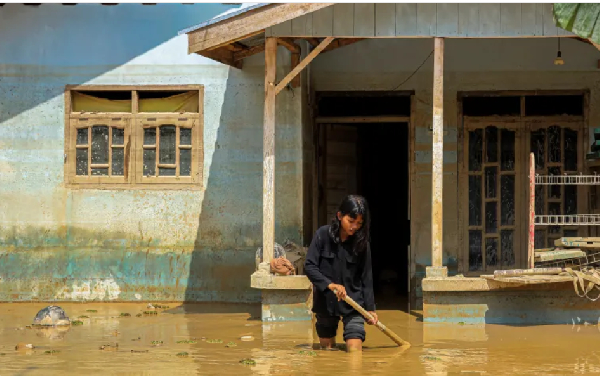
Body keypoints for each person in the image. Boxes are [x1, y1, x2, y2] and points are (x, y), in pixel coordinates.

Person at [304, 195, 377, 352]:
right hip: (326, 302)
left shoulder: (362, 243)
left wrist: (370, 308)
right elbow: (309, 266)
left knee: (355, 350)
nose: (354, 227)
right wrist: (329, 285)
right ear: (339, 216)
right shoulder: (322, 235)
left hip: (354, 303)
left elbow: (366, 277)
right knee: (327, 350)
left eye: (359, 223)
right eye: (351, 221)